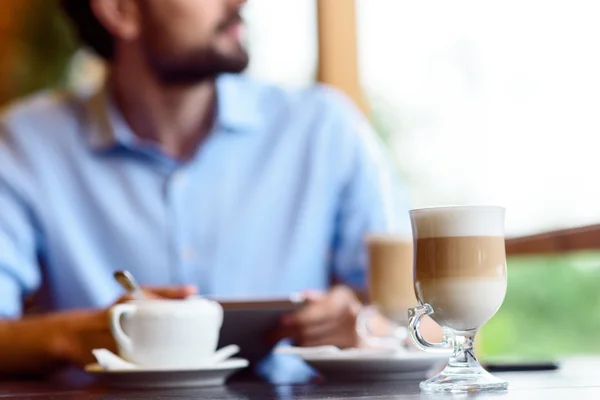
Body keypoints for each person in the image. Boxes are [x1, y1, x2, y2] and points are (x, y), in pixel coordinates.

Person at [0, 0, 437, 380]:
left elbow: (435, 326)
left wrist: (365, 329)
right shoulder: (24, 145)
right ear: (120, 10)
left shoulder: (325, 130)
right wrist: (79, 335)